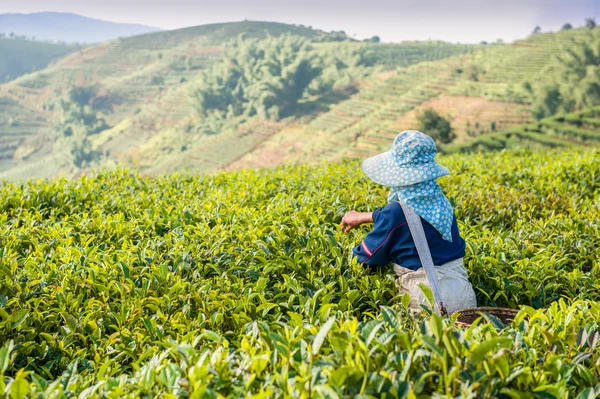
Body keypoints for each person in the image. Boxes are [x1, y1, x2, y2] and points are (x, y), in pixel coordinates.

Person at [340, 130, 476, 314]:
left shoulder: (394, 214)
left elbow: (366, 258)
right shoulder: (440, 203)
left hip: (426, 298)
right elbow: (407, 217)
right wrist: (363, 217)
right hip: (463, 293)